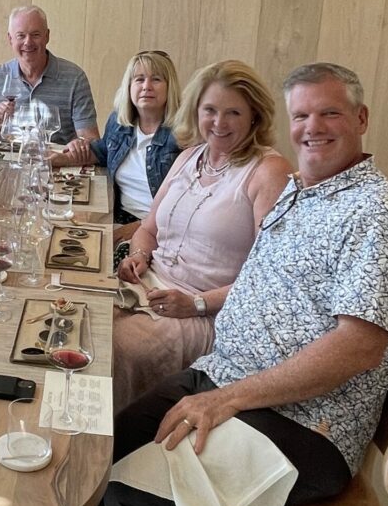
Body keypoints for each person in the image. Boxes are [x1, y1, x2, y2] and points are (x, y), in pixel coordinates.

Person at [105, 62, 388, 506]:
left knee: (132, 495)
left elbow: (356, 349)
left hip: (308, 424)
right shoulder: (302, 194)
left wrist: (228, 398)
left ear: (361, 120)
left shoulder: (381, 218)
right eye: (302, 115)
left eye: (329, 113)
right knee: (111, 444)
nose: (312, 128)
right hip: (233, 372)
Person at [111, 60, 292, 412]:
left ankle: (113, 446)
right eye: (210, 110)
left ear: (255, 116)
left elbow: (267, 278)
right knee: (77, 320)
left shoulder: (268, 171)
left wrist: (196, 304)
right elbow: (148, 229)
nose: (219, 123)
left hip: (203, 311)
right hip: (149, 286)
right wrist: (138, 256)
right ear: (196, 110)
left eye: (233, 113)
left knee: (117, 346)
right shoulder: (190, 157)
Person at [57, 50, 182, 260]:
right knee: (64, 240)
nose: (146, 86)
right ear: (129, 86)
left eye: (157, 79)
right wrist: (53, 160)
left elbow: (183, 207)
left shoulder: (182, 136)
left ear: (170, 87)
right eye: (139, 79)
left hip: (161, 229)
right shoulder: (119, 122)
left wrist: (135, 228)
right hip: (120, 216)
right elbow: (100, 152)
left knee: (95, 261)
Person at [0, 5, 99, 145]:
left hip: (56, 162)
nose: (28, 42)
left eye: (35, 35)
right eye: (21, 35)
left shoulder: (74, 78)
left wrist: (73, 151)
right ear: (10, 39)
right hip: (6, 162)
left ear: (47, 36)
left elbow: (91, 141)